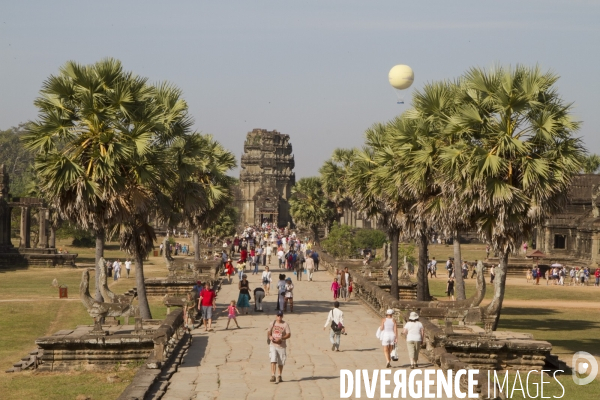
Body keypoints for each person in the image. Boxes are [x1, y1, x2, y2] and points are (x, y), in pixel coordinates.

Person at [267, 310, 291, 383]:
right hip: (273, 344)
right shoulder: (272, 323)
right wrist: (270, 336)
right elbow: (269, 331)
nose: (279, 317)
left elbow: (288, 334)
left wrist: (281, 338)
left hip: (281, 346)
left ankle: (279, 375)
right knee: (273, 359)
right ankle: (273, 375)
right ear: (276, 316)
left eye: (280, 316)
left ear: (282, 316)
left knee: (281, 362)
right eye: (278, 316)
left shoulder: (285, 324)